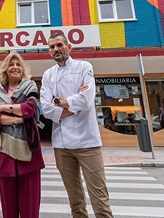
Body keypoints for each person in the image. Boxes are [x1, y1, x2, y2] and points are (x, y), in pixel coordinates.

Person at [40, 33, 113, 218]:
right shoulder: (48, 75)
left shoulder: (84, 67)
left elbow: (87, 100)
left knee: (100, 199)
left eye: (59, 45)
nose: (55, 49)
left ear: (69, 47)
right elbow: (46, 109)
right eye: (51, 47)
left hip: (88, 143)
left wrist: (61, 102)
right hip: (62, 145)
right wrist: (71, 104)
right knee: (75, 200)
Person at [0, 51, 45, 218]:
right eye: (11, 64)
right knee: (8, 211)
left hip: (29, 153)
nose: (15, 67)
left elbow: (31, 109)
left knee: (30, 211)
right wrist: (17, 119)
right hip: (4, 154)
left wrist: (3, 108)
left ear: (23, 68)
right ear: (5, 69)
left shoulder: (30, 86)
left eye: (18, 64)